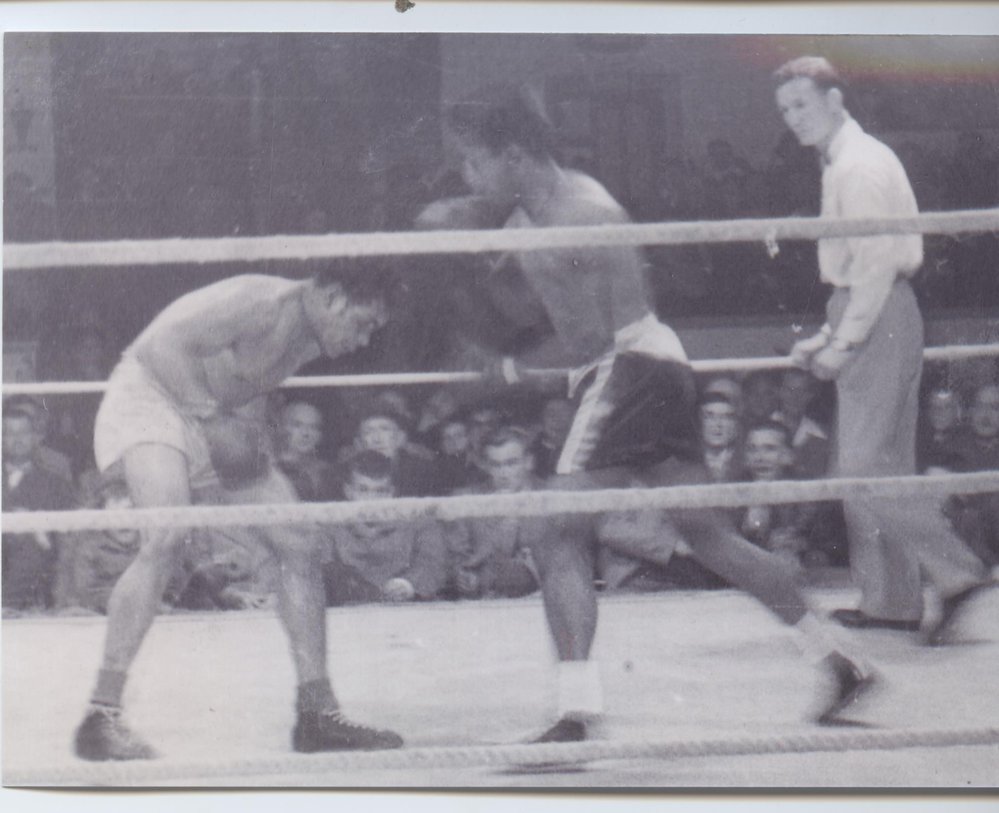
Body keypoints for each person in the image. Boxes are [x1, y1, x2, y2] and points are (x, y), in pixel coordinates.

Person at [445, 87, 874, 743]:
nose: (468, 176)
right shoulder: (528, 215)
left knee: (553, 530)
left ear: (512, 155)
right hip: (647, 365)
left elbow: (590, 339)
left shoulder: (583, 215)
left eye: (475, 162)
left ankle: (575, 710)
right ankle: (836, 656)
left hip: (628, 368)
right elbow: (544, 307)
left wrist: (508, 371)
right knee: (708, 536)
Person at [72, 266, 403, 761]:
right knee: (165, 538)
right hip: (152, 397)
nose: (364, 339)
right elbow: (159, 349)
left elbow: (243, 385)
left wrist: (242, 436)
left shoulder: (309, 339)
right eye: (364, 323)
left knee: (300, 545)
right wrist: (212, 417)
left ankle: (318, 714)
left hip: (217, 419)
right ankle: (101, 715)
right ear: (333, 297)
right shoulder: (259, 300)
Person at [775, 56, 991, 639]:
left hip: (878, 311)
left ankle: (956, 571)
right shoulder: (846, 160)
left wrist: (843, 341)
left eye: (803, 104)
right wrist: (830, 331)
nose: (795, 118)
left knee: (865, 469)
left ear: (836, 100)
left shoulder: (858, 168)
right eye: (787, 109)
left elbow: (873, 269)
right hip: (872, 308)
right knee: (879, 463)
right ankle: (892, 600)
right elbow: (857, 271)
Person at [322, 450, 448, 605]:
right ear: (348, 491)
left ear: (392, 492)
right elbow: (322, 570)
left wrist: (407, 584)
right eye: (363, 490)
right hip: (350, 615)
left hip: (408, 612)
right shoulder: (329, 526)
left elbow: (433, 562)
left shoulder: (418, 522)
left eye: (380, 491)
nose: (372, 500)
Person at [446, 427, 541, 600]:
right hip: (483, 602)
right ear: (485, 465)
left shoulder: (551, 496)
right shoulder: (466, 499)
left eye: (511, 463)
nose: (504, 474)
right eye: (496, 465)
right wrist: (463, 577)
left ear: (529, 462)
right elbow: (455, 556)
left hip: (543, 598)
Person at [2, 407, 76, 612]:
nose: (17, 438)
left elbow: (67, 535)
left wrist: (34, 525)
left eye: (23, 432)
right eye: (9, 432)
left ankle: (7, 606)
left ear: (35, 437)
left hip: (36, 565)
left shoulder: (55, 483)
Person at [275, 399, 340, 502]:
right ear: (283, 428)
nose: (306, 433)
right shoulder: (271, 470)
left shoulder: (328, 472)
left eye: (313, 427)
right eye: (297, 425)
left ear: (320, 435)